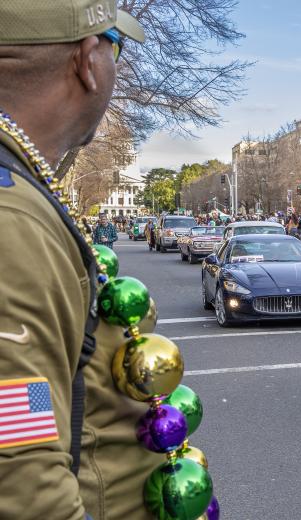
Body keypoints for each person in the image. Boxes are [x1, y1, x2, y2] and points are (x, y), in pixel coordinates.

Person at [0, 5, 165, 519]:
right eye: (116, 46)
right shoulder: (11, 222)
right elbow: (23, 477)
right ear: (88, 61)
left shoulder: (21, 190)